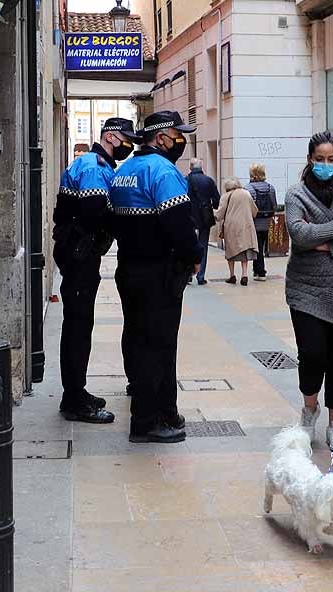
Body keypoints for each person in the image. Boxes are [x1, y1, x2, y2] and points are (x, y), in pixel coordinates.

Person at [109, 110, 204, 444]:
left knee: (138, 339)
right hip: (159, 273)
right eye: (179, 134)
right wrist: (194, 257)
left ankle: (163, 410)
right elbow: (179, 223)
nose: (182, 140)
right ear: (162, 137)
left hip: (129, 268)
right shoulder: (162, 171)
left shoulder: (125, 170)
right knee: (158, 345)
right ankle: (147, 421)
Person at [51, 117, 139, 424]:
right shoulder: (92, 167)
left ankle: (75, 391)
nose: (128, 146)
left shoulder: (95, 164)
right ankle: (74, 398)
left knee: (79, 324)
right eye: (126, 140)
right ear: (111, 137)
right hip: (79, 256)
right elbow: (95, 213)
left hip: (79, 254)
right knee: (77, 327)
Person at [285, 132, 333, 452]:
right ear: (310, 159)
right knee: (312, 355)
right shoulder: (296, 193)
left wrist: (323, 244)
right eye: (320, 159)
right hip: (305, 289)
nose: (326, 165)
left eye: (331, 159)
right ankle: (308, 411)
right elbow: (298, 234)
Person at [216, 178, 258, 286]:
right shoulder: (246, 193)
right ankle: (244, 275)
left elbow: (219, 214)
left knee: (230, 251)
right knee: (244, 251)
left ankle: (232, 275)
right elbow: (254, 211)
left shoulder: (225, 196)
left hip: (231, 226)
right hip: (246, 225)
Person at [187, 158, 220, 285]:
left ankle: (189, 274)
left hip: (189, 217)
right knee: (203, 246)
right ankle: (201, 276)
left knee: (189, 244)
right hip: (205, 218)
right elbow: (217, 200)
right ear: (201, 167)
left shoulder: (186, 180)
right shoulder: (209, 181)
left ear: (191, 167)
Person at [247, 164, 278, 281]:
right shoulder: (271, 188)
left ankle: (261, 272)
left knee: (257, 247)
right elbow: (274, 205)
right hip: (266, 222)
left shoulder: (248, 188)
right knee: (261, 245)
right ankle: (257, 270)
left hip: (254, 222)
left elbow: (248, 208)